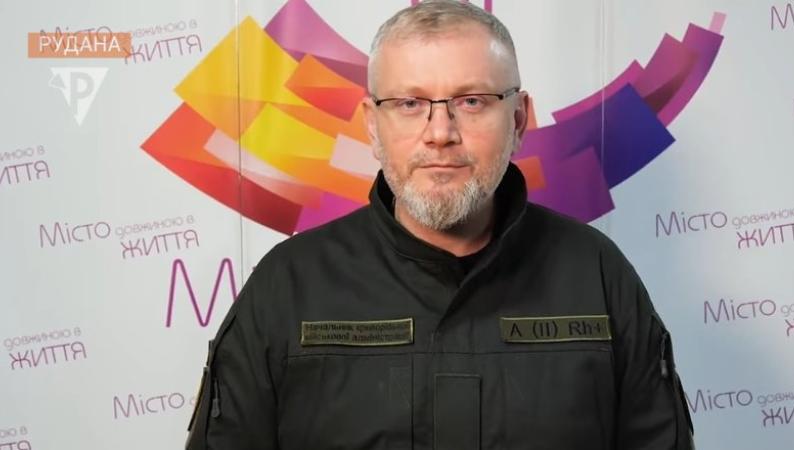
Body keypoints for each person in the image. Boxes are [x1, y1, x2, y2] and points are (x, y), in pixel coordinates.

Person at [185, 1, 694, 449]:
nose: (440, 133)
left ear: (518, 120)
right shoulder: (288, 286)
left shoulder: (598, 276)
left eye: (471, 101)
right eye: (409, 104)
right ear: (372, 126)